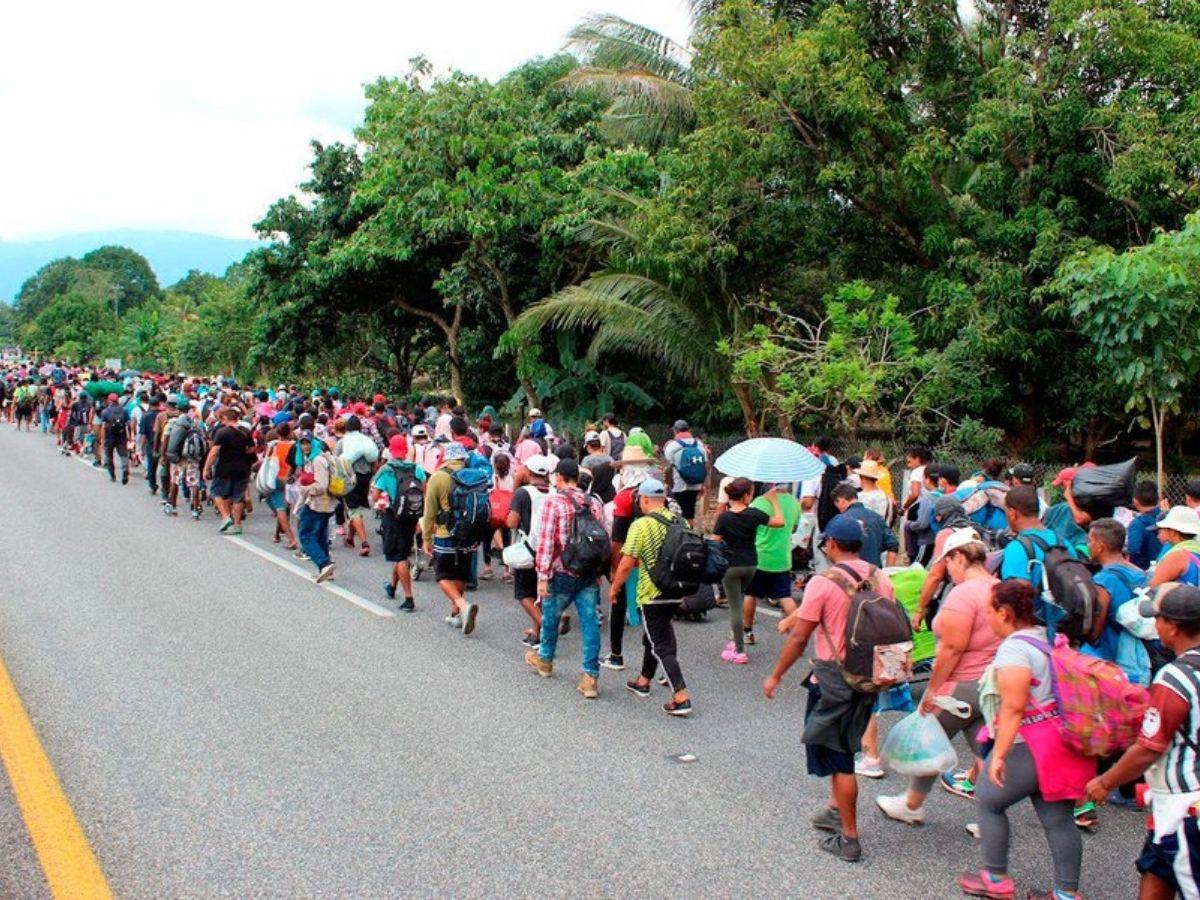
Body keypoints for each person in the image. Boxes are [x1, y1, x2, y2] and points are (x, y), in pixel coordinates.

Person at [764, 514, 899, 864]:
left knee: (839, 757)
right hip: (869, 675)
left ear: (833, 545)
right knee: (843, 743)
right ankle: (833, 808)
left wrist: (776, 675)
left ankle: (849, 836)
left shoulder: (823, 583)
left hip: (834, 678)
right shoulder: (879, 576)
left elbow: (800, 638)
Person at [958, 579, 1090, 900]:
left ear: (1003, 613)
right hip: (1058, 741)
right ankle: (1065, 894)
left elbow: (1014, 706)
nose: (987, 618)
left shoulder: (1014, 649)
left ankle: (996, 879)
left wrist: (999, 756)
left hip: (1028, 744)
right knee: (1058, 818)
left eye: (989, 611)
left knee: (988, 800)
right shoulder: (1044, 639)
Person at [1083, 584, 1200, 900]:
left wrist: (1105, 782)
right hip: (1171, 808)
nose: (1155, 625)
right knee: (1155, 873)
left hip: (1184, 806)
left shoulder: (1175, 679)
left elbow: (1150, 746)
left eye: (1158, 619)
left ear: (1173, 627)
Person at [876, 529, 1000, 824]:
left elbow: (953, 649)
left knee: (931, 740)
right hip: (990, 683)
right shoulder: (998, 587)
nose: (947, 571)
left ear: (959, 558)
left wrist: (932, 690)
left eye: (948, 563)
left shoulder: (964, 594)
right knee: (984, 751)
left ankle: (912, 804)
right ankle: (990, 818)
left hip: (961, 683)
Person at [610, 477, 692, 717]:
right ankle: (644, 680)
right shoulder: (680, 520)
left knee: (660, 644)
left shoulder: (641, 525)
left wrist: (615, 587)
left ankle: (681, 695)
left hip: (652, 592)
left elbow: (626, 563)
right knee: (656, 635)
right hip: (676, 590)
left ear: (644, 500)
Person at [526, 459, 605, 699]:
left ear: (560, 477)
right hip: (588, 572)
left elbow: (547, 542)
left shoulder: (555, 502)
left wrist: (541, 576)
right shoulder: (594, 502)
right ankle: (590, 677)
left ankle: (545, 660)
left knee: (551, 617)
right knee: (590, 623)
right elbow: (602, 538)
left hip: (561, 571)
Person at [712, 479, 784, 663]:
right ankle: (737, 640)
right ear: (745, 496)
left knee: (735, 607)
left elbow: (714, 541)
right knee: (743, 599)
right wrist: (774, 501)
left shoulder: (725, 517)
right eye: (751, 494)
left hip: (731, 566)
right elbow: (779, 522)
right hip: (751, 564)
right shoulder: (754, 514)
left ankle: (739, 650)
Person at [421, 441, 480, 636]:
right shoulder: (473, 475)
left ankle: (462, 605)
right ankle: (456, 615)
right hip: (470, 534)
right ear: (463, 457)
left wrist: (426, 538)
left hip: (445, 532)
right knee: (461, 574)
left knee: (443, 575)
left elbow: (429, 512)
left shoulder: (438, 477)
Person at [1086, 518, 1154, 685]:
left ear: (1100, 545)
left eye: (1090, 541)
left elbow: (1095, 631)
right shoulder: (1138, 572)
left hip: (1118, 659)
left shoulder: (1104, 580)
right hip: (1144, 654)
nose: (1088, 545)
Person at [741, 483, 803, 640]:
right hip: (782, 557)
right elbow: (794, 528)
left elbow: (749, 526)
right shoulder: (795, 503)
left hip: (760, 556)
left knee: (750, 594)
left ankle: (747, 631)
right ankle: (799, 634)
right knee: (785, 596)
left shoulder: (759, 502)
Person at [371, 434, 425, 612]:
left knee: (400, 557)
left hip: (393, 517)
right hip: (411, 515)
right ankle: (392, 587)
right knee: (400, 552)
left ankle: (409, 598)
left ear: (391, 450)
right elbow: (423, 489)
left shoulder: (387, 470)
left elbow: (375, 496)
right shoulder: (416, 469)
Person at [508, 455, 554, 648]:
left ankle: (548, 627)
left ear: (528, 472)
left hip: (529, 548)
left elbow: (512, 521)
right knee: (539, 592)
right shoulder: (554, 492)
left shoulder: (523, 493)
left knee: (523, 593)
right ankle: (536, 633)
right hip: (550, 548)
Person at [998, 484, 1078, 589]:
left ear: (1013, 514)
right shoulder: (1064, 543)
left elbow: (1015, 599)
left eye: (1005, 512)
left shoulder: (1017, 548)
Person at [204, 407, 255, 535]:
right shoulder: (246, 431)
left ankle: (226, 517)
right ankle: (237, 525)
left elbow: (214, 451)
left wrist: (206, 467)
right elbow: (252, 449)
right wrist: (241, 453)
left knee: (216, 493)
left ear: (225, 418)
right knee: (238, 497)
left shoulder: (222, 432)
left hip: (224, 468)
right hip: (242, 468)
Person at [295, 430, 337, 583]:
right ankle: (326, 569)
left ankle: (324, 563)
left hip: (318, 503)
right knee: (320, 535)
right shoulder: (311, 459)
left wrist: (305, 489)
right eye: (302, 443)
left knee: (306, 535)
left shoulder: (317, 460)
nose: (305, 446)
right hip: (324, 503)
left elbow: (321, 485)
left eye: (307, 443)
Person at [338, 414, 380, 557]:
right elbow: (375, 461)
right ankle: (350, 538)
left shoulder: (343, 442)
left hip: (350, 478)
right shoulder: (367, 442)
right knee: (356, 509)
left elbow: (336, 461)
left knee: (354, 511)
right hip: (365, 478)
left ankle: (364, 543)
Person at [830, 482, 899, 567]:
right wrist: (888, 570)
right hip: (873, 574)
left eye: (837, 505)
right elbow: (893, 545)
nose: (839, 509)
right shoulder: (877, 517)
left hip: (850, 573)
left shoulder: (841, 521)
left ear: (841, 501)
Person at [662, 420, 709, 522]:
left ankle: (682, 534)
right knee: (690, 512)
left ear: (675, 431)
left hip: (679, 484)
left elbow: (667, 464)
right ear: (689, 430)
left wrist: (666, 484)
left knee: (677, 512)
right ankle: (690, 532)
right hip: (696, 484)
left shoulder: (672, 445)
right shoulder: (699, 444)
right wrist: (703, 484)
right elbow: (705, 464)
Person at [1149, 506, 1200, 589]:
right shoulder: (1195, 547)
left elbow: (1154, 587)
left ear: (1172, 531)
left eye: (1161, 529)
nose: (1159, 532)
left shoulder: (1178, 555)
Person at [1128, 481, 1165, 570]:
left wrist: (1140, 569)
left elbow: (1134, 550)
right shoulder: (1167, 517)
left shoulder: (1137, 524)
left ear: (1135, 501)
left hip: (1147, 571)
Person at [99, 393, 131, 484]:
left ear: (109, 400)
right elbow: (128, 424)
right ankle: (125, 469)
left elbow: (103, 427)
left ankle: (112, 475)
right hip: (121, 435)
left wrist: (102, 439)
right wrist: (130, 436)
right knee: (123, 455)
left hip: (109, 436)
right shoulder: (124, 410)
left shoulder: (105, 411)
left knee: (109, 456)